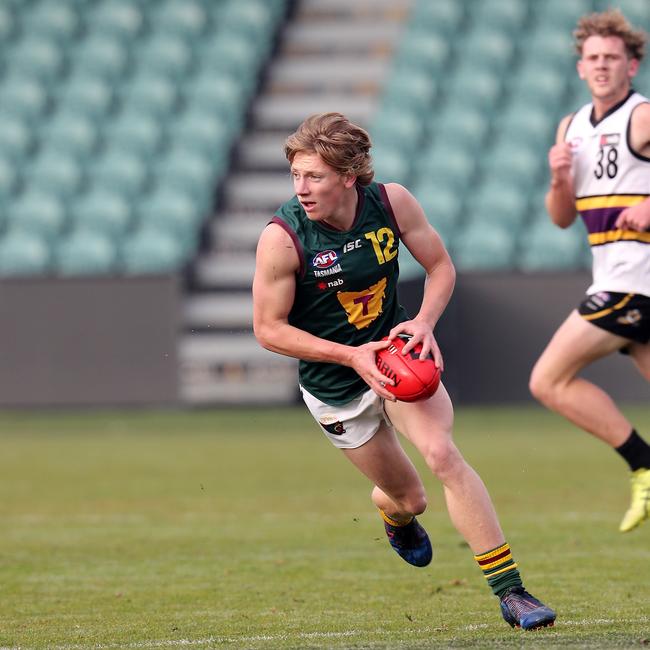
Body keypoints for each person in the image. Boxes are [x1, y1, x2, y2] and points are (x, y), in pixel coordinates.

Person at [253, 112, 556, 630]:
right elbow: (268, 328)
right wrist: (352, 355)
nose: (302, 188)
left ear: (349, 176)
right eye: (296, 176)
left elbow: (441, 267)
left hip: (397, 359)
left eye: (315, 177)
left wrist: (423, 321)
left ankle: (512, 593)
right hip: (336, 385)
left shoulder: (391, 202)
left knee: (443, 455)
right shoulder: (284, 238)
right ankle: (393, 512)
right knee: (412, 497)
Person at [530, 9, 650, 533]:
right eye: (593, 58)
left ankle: (644, 465)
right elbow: (561, 220)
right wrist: (559, 180)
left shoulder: (642, 116)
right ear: (580, 67)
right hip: (613, 274)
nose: (602, 66)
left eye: (612, 57)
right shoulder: (571, 127)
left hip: (635, 279)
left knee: (549, 379)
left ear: (632, 64)